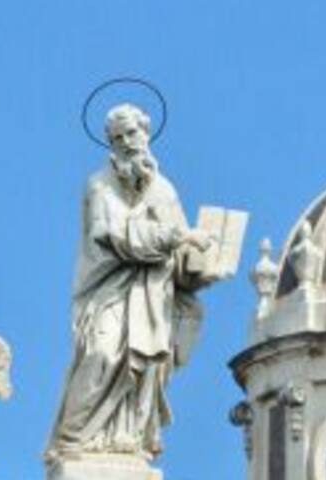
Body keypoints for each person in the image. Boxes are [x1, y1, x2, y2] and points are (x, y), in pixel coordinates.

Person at [46, 104, 221, 461]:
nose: (127, 142)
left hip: (153, 297)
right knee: (102, 354)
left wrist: (202, 267)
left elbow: (180, 263)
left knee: (145, 369)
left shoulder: (164, 190)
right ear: (110, 144)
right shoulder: (100, 185)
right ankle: (70, 440)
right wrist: (178, 235)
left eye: (132, 134)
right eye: (118, 138)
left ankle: (129, 438)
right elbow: (110, 234)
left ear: (146, 133)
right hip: (108, 291)